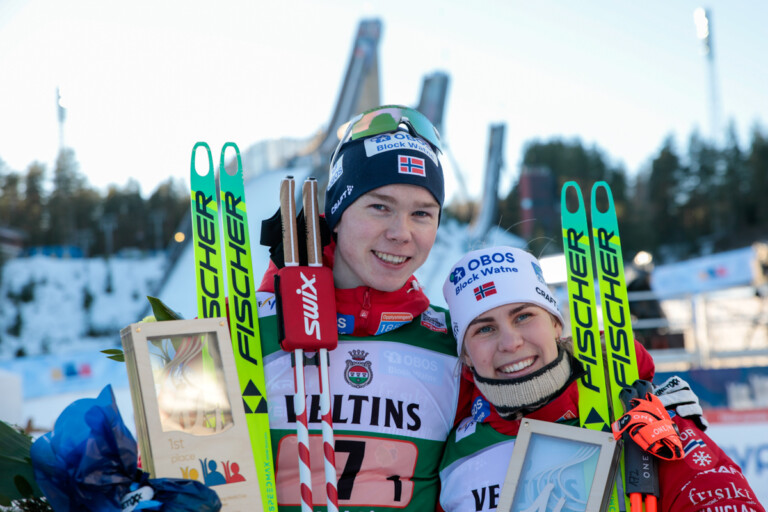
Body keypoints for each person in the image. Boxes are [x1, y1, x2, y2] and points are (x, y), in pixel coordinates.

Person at [438, 246, 765, 512]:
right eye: (484, 328)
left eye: (524, 316)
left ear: (555, 324)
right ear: (465, 353)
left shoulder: (635, 412)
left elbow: (714, 492)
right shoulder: (457, 455)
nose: (510, 343)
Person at [255, 105, 460, 511]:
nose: (401, 233)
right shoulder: (249, 324)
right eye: (380, 207)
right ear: (336, 213)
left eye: (422, 213)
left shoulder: (457, 344)